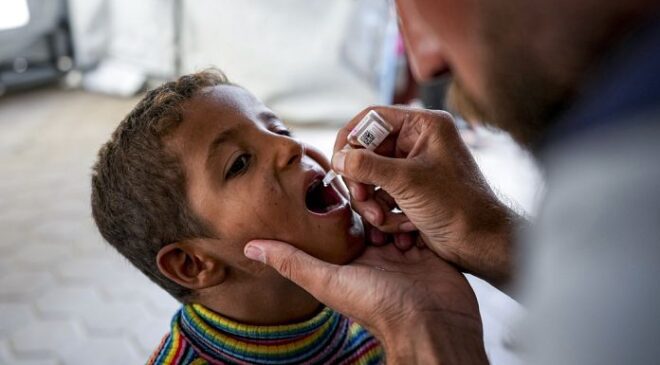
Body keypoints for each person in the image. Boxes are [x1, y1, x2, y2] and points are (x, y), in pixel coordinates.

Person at [243, 0, 660, 364]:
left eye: (280, 129)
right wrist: (483, 233)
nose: (427, 62)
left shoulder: (623, 206)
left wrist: (422, 331)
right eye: (238, 163)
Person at [91, 69, 387, 364]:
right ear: (192, 264)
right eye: (240, 163)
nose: (291, 146)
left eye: (280, 130)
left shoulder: (386, 294)